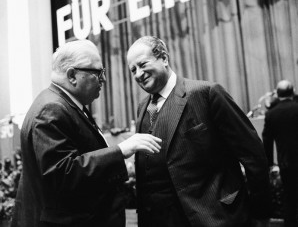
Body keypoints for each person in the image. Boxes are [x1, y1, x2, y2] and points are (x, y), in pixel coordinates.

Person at [11, 39, 161, 227]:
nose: (103, 80)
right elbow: (62, 174)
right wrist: (120, 151)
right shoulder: (51, 109)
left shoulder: (65, 103)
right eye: (98, 73)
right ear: (72, 75)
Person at [126, 36, 271, 227]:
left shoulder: (207, 93)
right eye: (133, 70)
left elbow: (253, 156)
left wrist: (259, 214)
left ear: (164, 58)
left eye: (142, 64)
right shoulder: (142, 107)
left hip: (214, 218)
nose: (138, 74)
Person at [262, 80, 298, 227]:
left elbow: (267, 141)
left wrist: (269, 164)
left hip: (286, 163)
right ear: (293, 91)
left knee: (290, 198)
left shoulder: (271, 114)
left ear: (277, 93)